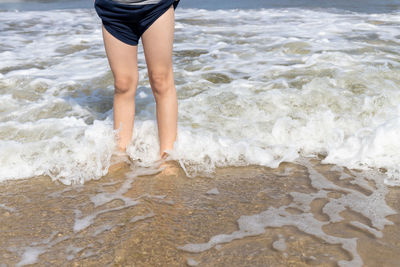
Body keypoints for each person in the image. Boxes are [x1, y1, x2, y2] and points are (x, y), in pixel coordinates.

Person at [94, 0, 179, 161]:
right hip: (113, 10)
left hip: (156, 6)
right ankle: (120, 154)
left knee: (160, 79)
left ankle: (167, 158)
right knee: (123, 83)